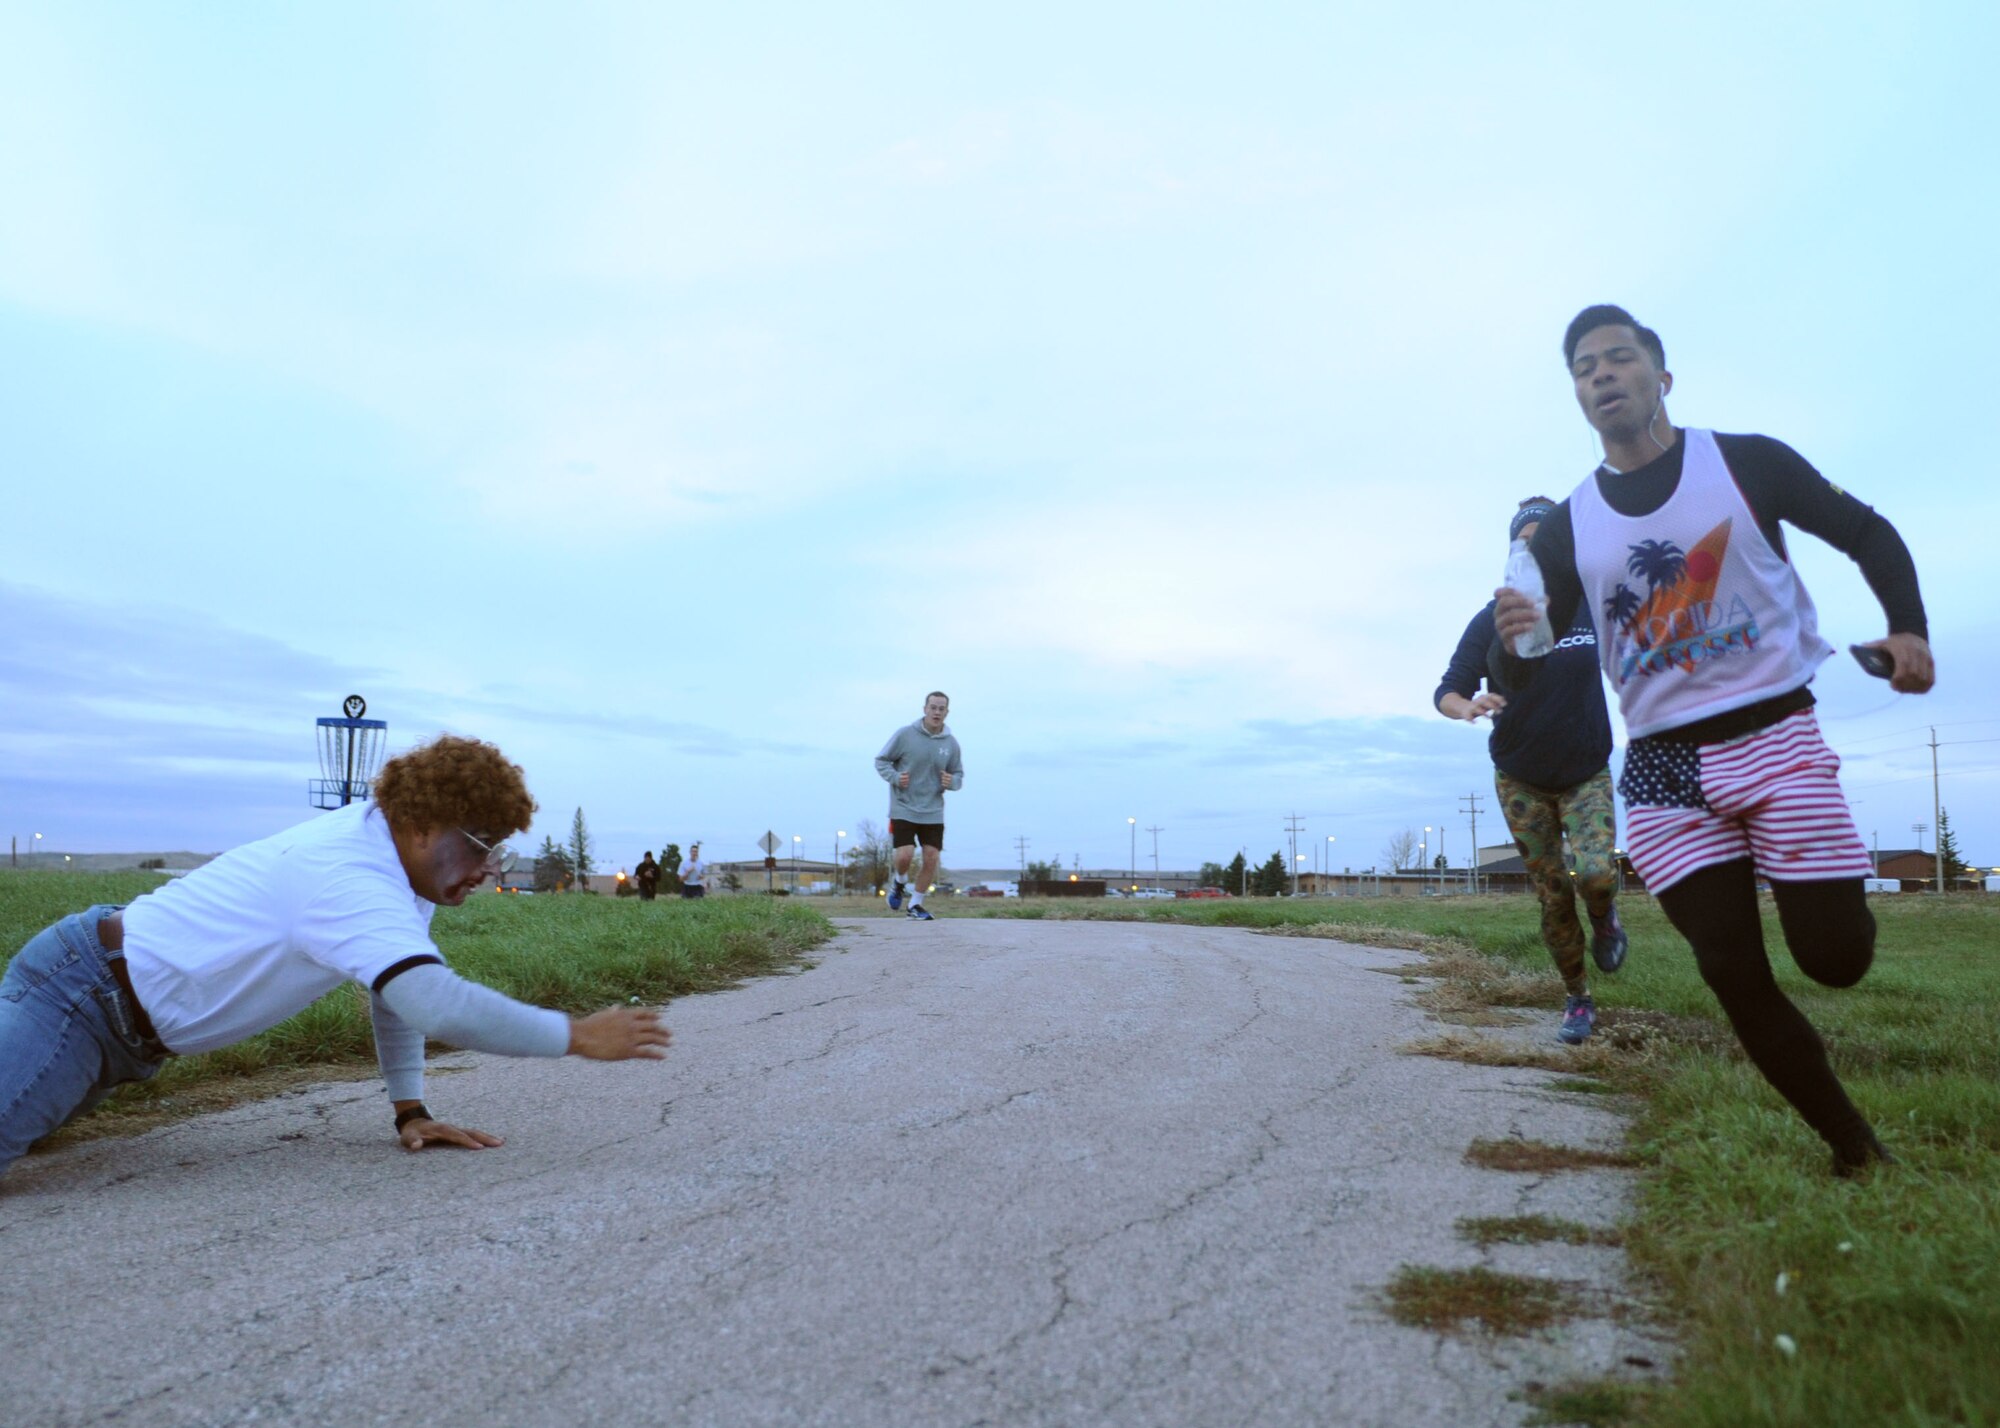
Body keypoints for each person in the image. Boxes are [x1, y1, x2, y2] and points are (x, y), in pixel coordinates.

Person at [1493, 304, 1933, 1176]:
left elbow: (1867, 531)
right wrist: (1518, 640)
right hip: (1662, 767)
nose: (1603, 376)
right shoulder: (1570, 526)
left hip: (1775, 734)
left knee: (1836, 960)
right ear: (1576, 395)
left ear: (1663, 375)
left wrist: (1908, 628)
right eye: (1585, 368)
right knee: (1734, 974)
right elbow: (1534, 665)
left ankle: (1829, 893)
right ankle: (1856, 1151)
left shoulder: (1745, 462)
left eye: (1620, 358)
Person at [0, 735, 671, 1180]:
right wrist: (575, 1036)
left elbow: (397, 994)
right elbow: (433, 1001)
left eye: (499, 850)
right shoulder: (348, 874)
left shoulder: (398, 876)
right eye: (480, 844)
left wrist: (410, 1110)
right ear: (420, 826)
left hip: (123, 1032)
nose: (489, 868)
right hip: (81, 1001)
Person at [1436, 497, 1627, 1044]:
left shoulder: (1593, 604)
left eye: (1548, 540)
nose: (1536, 551)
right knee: (1552, 893)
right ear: (1514, 552)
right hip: (1520, 776)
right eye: (1526, 542)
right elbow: (1448, 687)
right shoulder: (1493, 620)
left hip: (1586, 769)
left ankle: (1607, 916)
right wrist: (1465, 707)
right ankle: (1577, 999)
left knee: (1593, 873)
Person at [874, 691, 964, 922]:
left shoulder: (951, 744)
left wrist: (951, 782)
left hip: (933, 809)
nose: (936, 712)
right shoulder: (905, 735)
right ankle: (900, 881)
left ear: (947, 712)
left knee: (931, 857)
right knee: (904, 856)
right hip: (903, 805)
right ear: (924, 709)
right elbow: (881, 760)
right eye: (933, 707)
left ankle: (915, 904)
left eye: (941, 708)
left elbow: (958, 776)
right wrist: (895, 777)